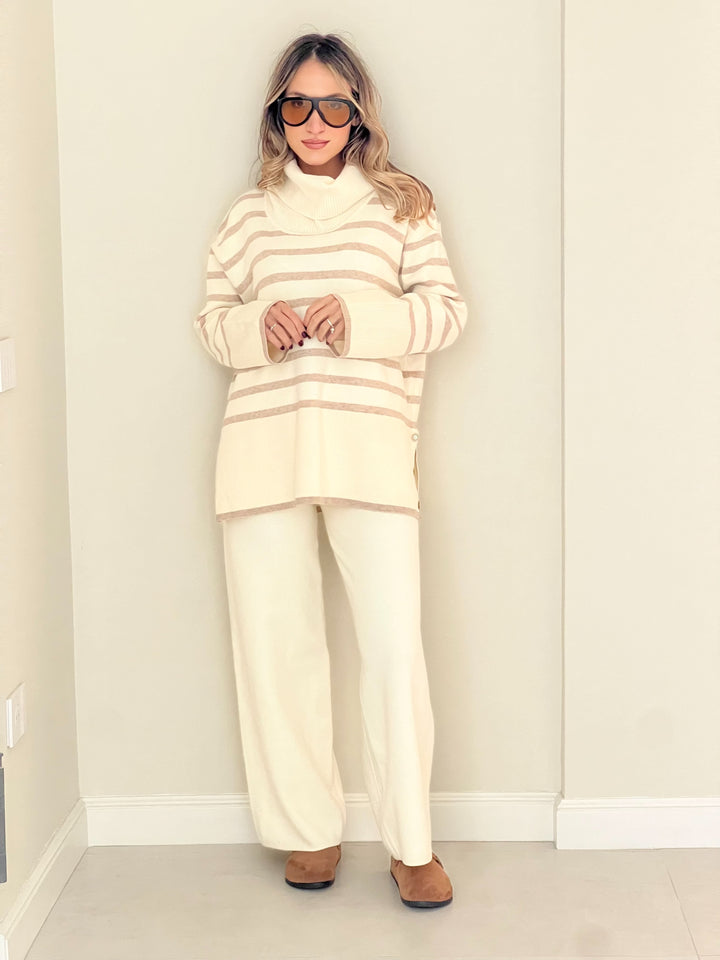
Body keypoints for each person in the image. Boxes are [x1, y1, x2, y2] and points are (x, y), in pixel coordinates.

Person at [193, 32, 467, 909]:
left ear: (359, 114)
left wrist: (360, 318)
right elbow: (212, 321)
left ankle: (411, 844)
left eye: (334, 105)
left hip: (369, 446)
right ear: (278, 115)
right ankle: (308, 831)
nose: (315, 122)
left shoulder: (402, 205)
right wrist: (256, 327)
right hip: (262, 449)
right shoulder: (248, 215)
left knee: (392, 651)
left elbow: (446, 312)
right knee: (278, 651)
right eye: (298, 104)